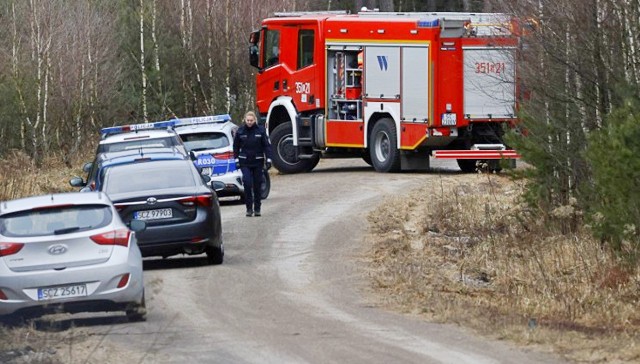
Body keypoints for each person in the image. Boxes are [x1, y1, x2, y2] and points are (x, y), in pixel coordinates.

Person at [233, 111, 273, 217]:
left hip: (257, 161)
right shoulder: (240, 131)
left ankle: (257, 208)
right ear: (245, 120)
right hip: (244, 161)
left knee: (257, 185)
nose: (249, 122)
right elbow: (235, 147)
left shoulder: (261, 130)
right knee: (247, 183)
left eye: (251, 120)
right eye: (248, 120)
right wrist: (236, 159)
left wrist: (269, 159)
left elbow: (266, 146)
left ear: (254, 120)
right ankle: (249, 209)